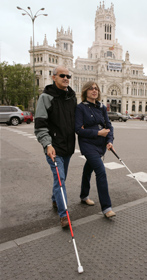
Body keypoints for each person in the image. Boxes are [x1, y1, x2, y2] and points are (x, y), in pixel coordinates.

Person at [34, 65, 77, 228]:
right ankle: (64, 215)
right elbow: (40, 125)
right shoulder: (46, 97)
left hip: (68, 147)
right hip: (53, 148)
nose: (66, 78)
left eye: (68, 76)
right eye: (62, 75)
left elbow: (77, 122)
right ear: (54, 77)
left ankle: (55, 199)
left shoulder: (72, 97)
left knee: (61, 177)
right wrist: (47, 144)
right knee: (60, 180)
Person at [75, 81, 116, 218]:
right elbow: (78, 130)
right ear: (85, 91)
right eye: (91, 89)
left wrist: (109, 141)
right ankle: (106, 207)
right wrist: (97, 133)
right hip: (88, 144)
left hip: (100, 145)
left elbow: (109, 126)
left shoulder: (102, 107)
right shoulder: (80, 108)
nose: (94, 91)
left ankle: (84, 195)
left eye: (96, 89)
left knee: (88, 169)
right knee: (101, 171)